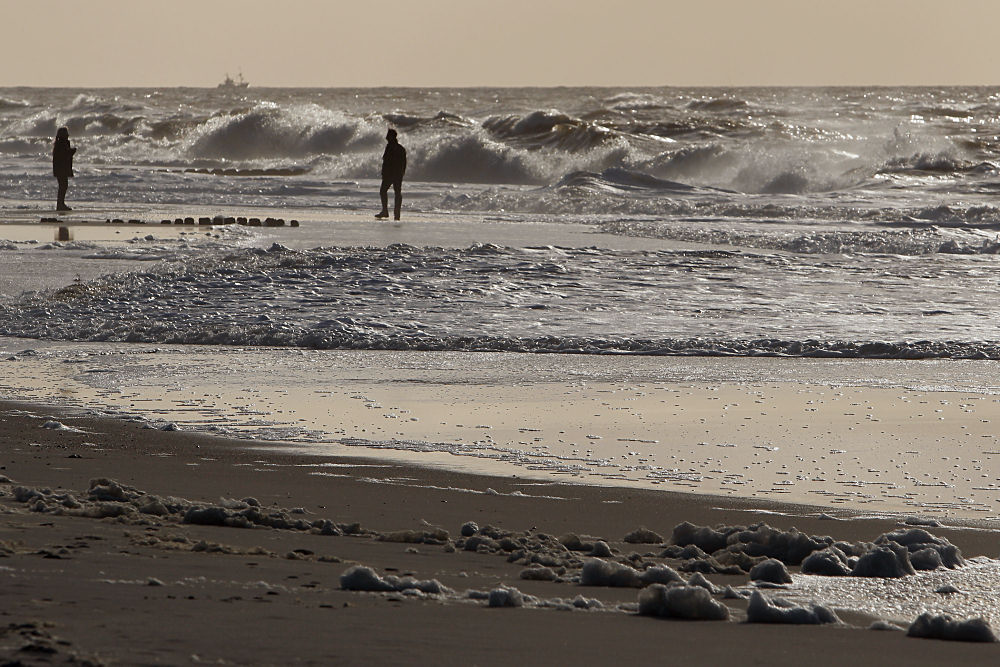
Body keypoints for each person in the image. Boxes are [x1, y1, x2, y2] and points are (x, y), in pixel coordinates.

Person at [375, 128, 406, 220]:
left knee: (385, 191)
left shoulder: (395, 148)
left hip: (392, 174)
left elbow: (400, 162)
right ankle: (394, 214)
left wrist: (397, 173)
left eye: (388, 135)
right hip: (395, 174)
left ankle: (389, 212)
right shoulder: (395, 147)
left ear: (392, 137)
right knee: (395, 192)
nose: (386, 137)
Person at [52, 127, 76, 212]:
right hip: (61, 168)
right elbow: (64, 155)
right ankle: (60, 204)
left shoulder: (59, 143)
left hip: (59, 168)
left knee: (63, 186)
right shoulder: (62, 144)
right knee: (63, 186)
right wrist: (72, 151)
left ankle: (60, 203)